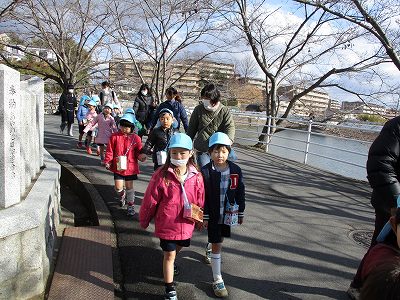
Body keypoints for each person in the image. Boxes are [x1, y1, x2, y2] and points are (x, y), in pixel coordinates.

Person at [139, 133, 205, 300]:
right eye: (174, 153)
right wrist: (145, 219)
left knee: (179, 247)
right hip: (167, 224)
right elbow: (150, 199)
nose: (178, 157)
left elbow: (200, 198)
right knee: (169, 255)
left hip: (186, 224)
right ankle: (169, 289)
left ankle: (171, 260)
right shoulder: (161, 174)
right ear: (169, 152)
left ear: (190, 153)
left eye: (182, 153)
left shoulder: (196, 175)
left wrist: (201, 219)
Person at [348, 115, 400, 299]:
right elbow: (380, 164)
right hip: (391, 203)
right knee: (381, 246)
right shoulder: (396, 126)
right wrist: (397, 201)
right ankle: (362, 286)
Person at [201, 132, 245, 298]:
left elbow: (240, 192)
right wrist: (203, 215)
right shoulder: (205, 171)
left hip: (227, 214)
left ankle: (211, 247)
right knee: (217, 242)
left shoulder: (235, 170)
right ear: (210, 153)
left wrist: (241, 211)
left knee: (218, 240)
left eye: (224, 151)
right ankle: (217, 278)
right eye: (216, 151)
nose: (220, 155)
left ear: (229, 152)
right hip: (211, 214)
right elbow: (201, 195)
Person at [104, 113, 146, 216]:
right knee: (118, 187)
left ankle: (130, 205)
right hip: (118, 166)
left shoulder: (136, 138)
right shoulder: (114, 137)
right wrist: (108, 161)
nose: (124, 129)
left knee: (129, 187)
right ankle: (122, 195)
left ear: (132, 127)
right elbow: (110, 151)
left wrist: (141, 157)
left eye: (127, 127)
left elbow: (138, 152)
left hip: (130, 167)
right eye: (122, 126)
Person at [187, 83, 235, 168]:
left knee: (220, 170)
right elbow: (191, 128)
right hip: (202, 148)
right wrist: (187, 145)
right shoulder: (198, 109)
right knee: (205, 171)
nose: (205, 100)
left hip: (219, 148)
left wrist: (228, 141)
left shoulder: (224, 110)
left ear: (214, 99)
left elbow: (230, 126)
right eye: (204, 98)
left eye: (207, 98)